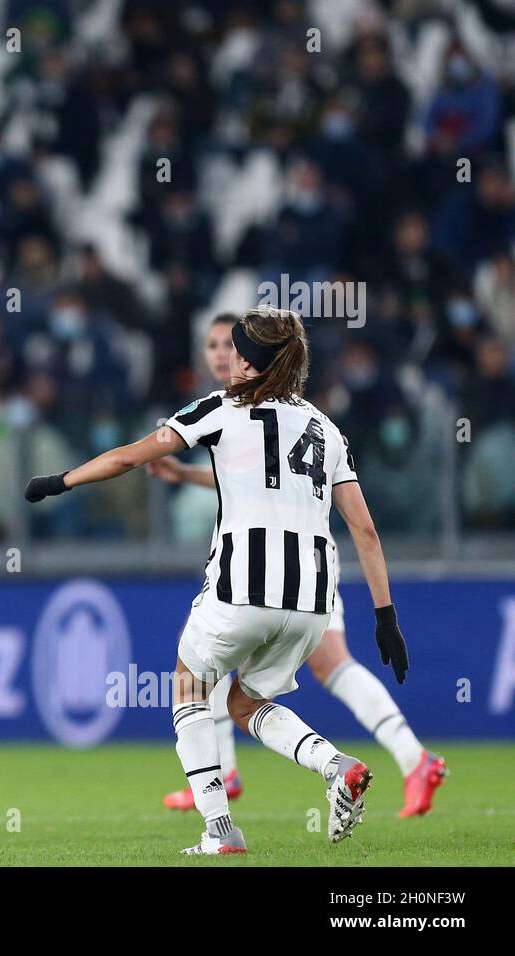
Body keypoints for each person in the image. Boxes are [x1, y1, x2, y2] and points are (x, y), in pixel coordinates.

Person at [26, 307, 410, 853]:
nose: (224, 359)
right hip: (312, 602)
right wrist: (385, 617)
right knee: (244, 704)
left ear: (248, 363)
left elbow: (130, 457)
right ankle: (336, 765)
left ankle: (219, 830)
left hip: (241, 589)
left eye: (232, 351)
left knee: (187, 686)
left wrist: (62, 480)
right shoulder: (326, 428)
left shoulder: (222, 407)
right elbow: (366, 531)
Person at [150, 314, 446, 818]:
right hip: (286, 567)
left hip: (295, 566)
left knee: (314, 663)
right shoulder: (245, 412)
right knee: (224, 665)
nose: (221, 354)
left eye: (231, 344)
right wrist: (186, 473)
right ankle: (228, 771)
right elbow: (253, 478)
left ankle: (412, 757)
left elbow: (281, 482)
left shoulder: (272, 408)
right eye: (212, 344)